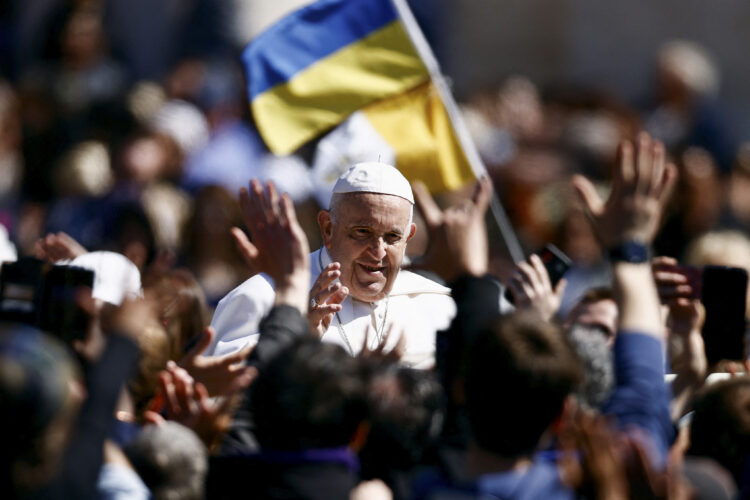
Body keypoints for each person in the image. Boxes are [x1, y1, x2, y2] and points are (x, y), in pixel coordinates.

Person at [208, 162, 456, 368]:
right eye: (362, 232)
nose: (378, 251)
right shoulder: (263, 296)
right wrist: (294, 337)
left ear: (408, 238)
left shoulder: (438, 305)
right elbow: (221, 397)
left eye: (392, 237)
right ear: (328, 228)